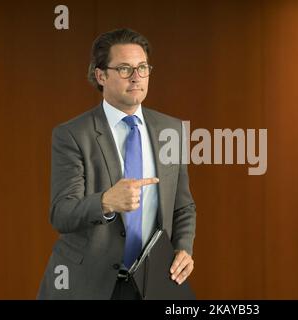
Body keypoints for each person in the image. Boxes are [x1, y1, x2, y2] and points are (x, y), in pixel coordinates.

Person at [37, 28, 196, 299]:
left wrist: (183, 248)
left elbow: (183, 206)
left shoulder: (172, 130)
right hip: (89, 284)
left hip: (153, 282)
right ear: (101, 76)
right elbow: (62, 214)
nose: (136, 77)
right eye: (124, 69)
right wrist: (106, 202)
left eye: (142, 67)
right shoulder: (73, 135)